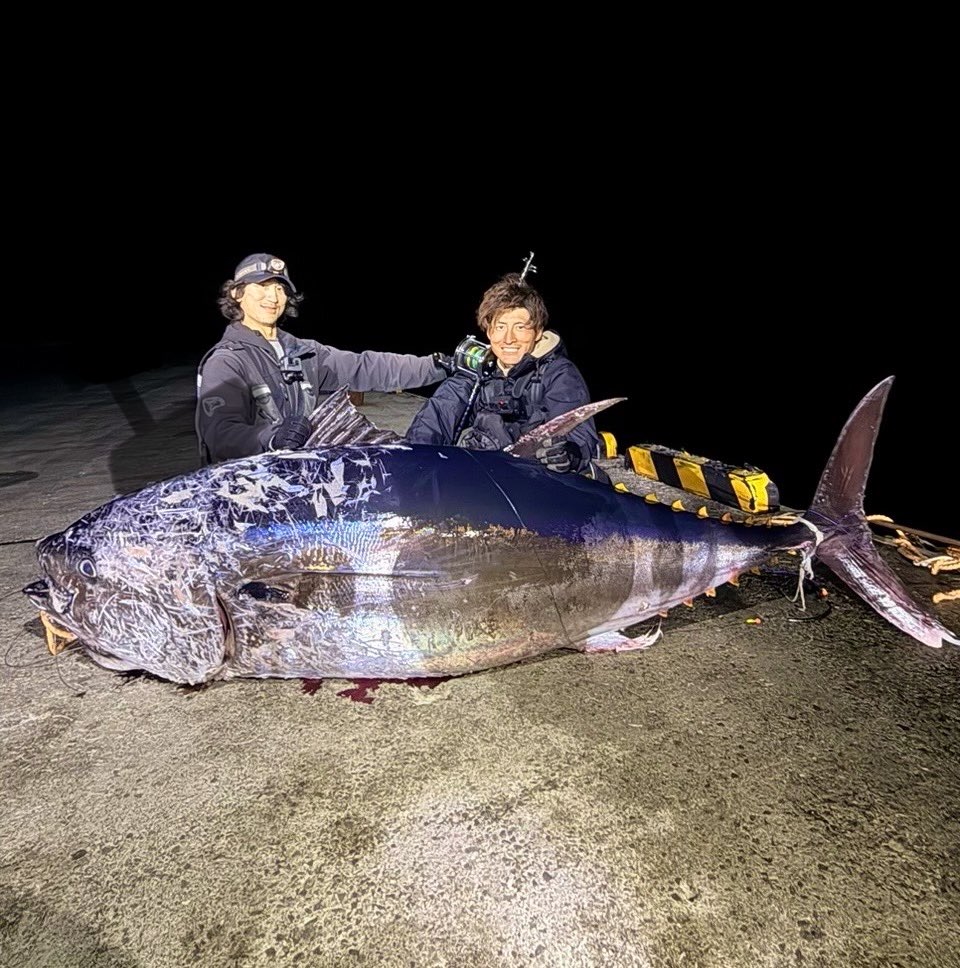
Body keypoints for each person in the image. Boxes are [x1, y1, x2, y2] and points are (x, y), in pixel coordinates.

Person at [195, 253, 450, 464]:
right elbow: (220, 435)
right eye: (261, 287)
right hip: (250, 484)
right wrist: (271, 437)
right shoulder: (226, 361)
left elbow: (367, 367)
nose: (272, 297)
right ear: (238, 294)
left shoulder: (305, 352)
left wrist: (437, 365)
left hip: (298, 473)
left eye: (279, 288)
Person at [405, 271, 603, 477]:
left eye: (520, 327)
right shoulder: (478, 371)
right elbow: (439, 413)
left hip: (542, 479)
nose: (508, 338)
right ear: (489, 332)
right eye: (500, 326)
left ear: (538, 331)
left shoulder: (559, 374)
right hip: (493, 475)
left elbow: (579, 436)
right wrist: (414, 460)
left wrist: (568, 453)